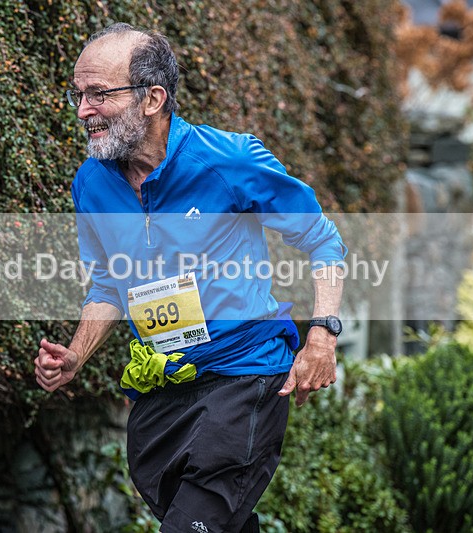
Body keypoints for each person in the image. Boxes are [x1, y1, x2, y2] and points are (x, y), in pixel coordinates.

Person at [35, 22, 346, 533]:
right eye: (78, 95)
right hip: (162, 387)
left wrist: (322, 334)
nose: (83, 110)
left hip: (244, 375)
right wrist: (75, 355)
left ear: (153, 98)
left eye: (98, 94)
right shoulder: (90, 183)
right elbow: (110, 284)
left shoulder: (229, 160)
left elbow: (324, 240)